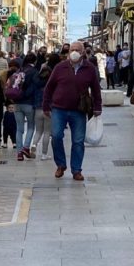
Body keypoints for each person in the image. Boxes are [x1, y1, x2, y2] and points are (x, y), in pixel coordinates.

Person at [43, 41, 102, 181]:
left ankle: (76, 170)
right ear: (69, 52)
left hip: (79, 110)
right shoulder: (60, 67)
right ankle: (61, 165)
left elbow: (95, 89)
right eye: (72, 49)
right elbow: (49, 87)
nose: (74, 52)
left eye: (77, 49)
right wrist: (46, 105)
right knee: (56, 137)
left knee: (78, 141)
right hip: (59, 109)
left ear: (82, 52)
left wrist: (97, 107)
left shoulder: (90, 68)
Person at [11, 52, 40, 161]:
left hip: (17, 103)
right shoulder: (34, 72)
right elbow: (35, 86)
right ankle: (26, 147)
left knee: (19, 128)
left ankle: (19, 153)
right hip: (29, 103)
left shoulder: (19, 71)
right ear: (34, 61)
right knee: (31, 127)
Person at [33, 53, 61, 160]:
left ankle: (34, 145)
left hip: (38, 109)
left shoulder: (37, 83)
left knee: (38, 131)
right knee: (47, 132)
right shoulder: (52, 85)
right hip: (49, 110)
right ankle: (44, 154)